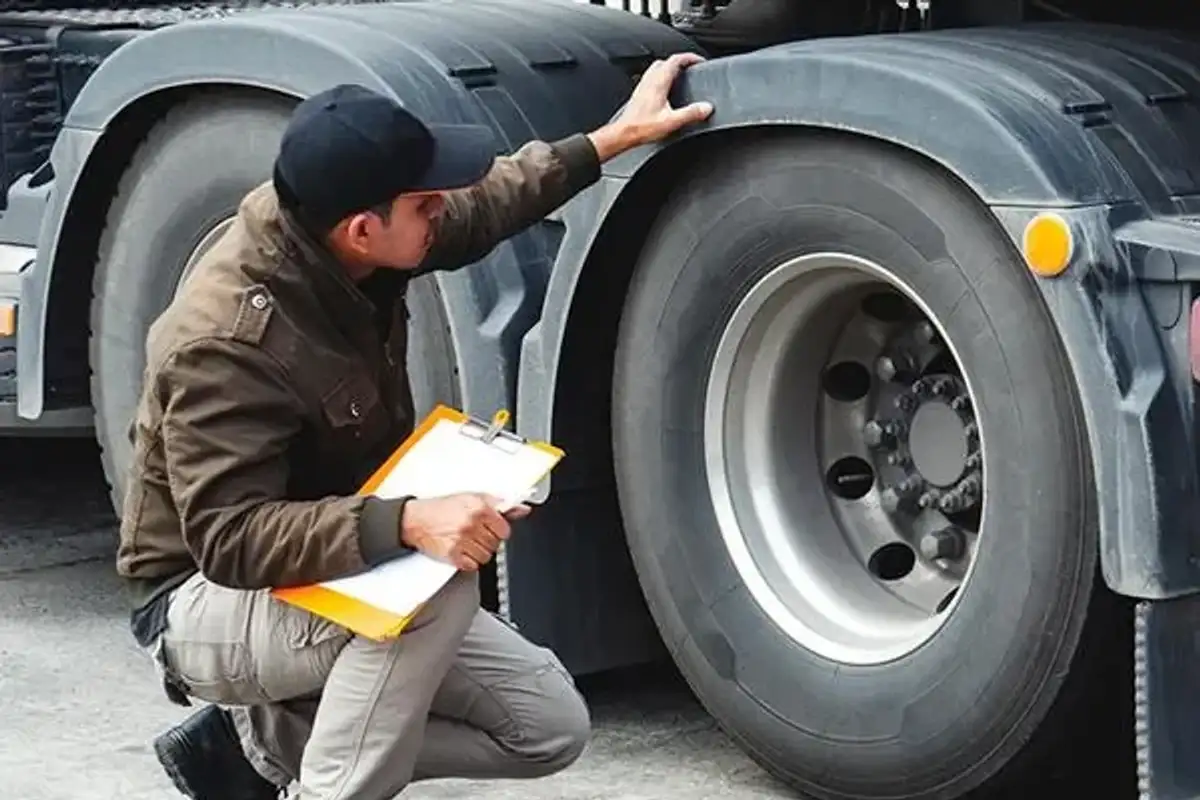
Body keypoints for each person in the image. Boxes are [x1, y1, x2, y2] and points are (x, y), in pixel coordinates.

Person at [114, 52, 713, 800]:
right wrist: (408, 524)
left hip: (327, 565)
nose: (443, 209)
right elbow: (230, 539)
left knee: (547, 727)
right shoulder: (228, 342)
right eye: (426, 203)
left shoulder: (347, 233)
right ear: (364, 229)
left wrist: (611, 140)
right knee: (435, 590)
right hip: (201, 599)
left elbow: (487, 202)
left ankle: (259, 746)